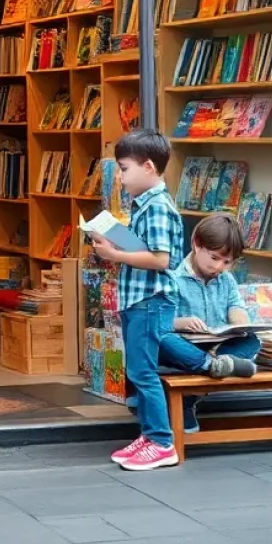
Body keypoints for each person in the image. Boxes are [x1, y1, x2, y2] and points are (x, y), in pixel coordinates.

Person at [89, 130, 183, 472]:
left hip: (150, 300)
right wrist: (116, 239)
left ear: (148, 167)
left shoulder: (157, 206)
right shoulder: (145, 204)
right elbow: (144, 249)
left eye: (124, 169)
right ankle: (149, 435)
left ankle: (161, 442)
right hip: (139, 300)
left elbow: (160, 259)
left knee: (144, 373)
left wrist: (115, 252)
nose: (121, 177)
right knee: (138, 371)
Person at [160, 213, 259, 434]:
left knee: (252, 341)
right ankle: (212, 367)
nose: (220, 267)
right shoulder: (174, 277)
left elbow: (235, 305)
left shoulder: (227, 279)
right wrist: (182, 322)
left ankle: (199, 384)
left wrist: (240, 321)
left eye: (227, 262)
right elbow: (162, 322)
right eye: (214, 258)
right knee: (163, 340)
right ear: (197, 245)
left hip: (216, 344)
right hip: (185, 347)